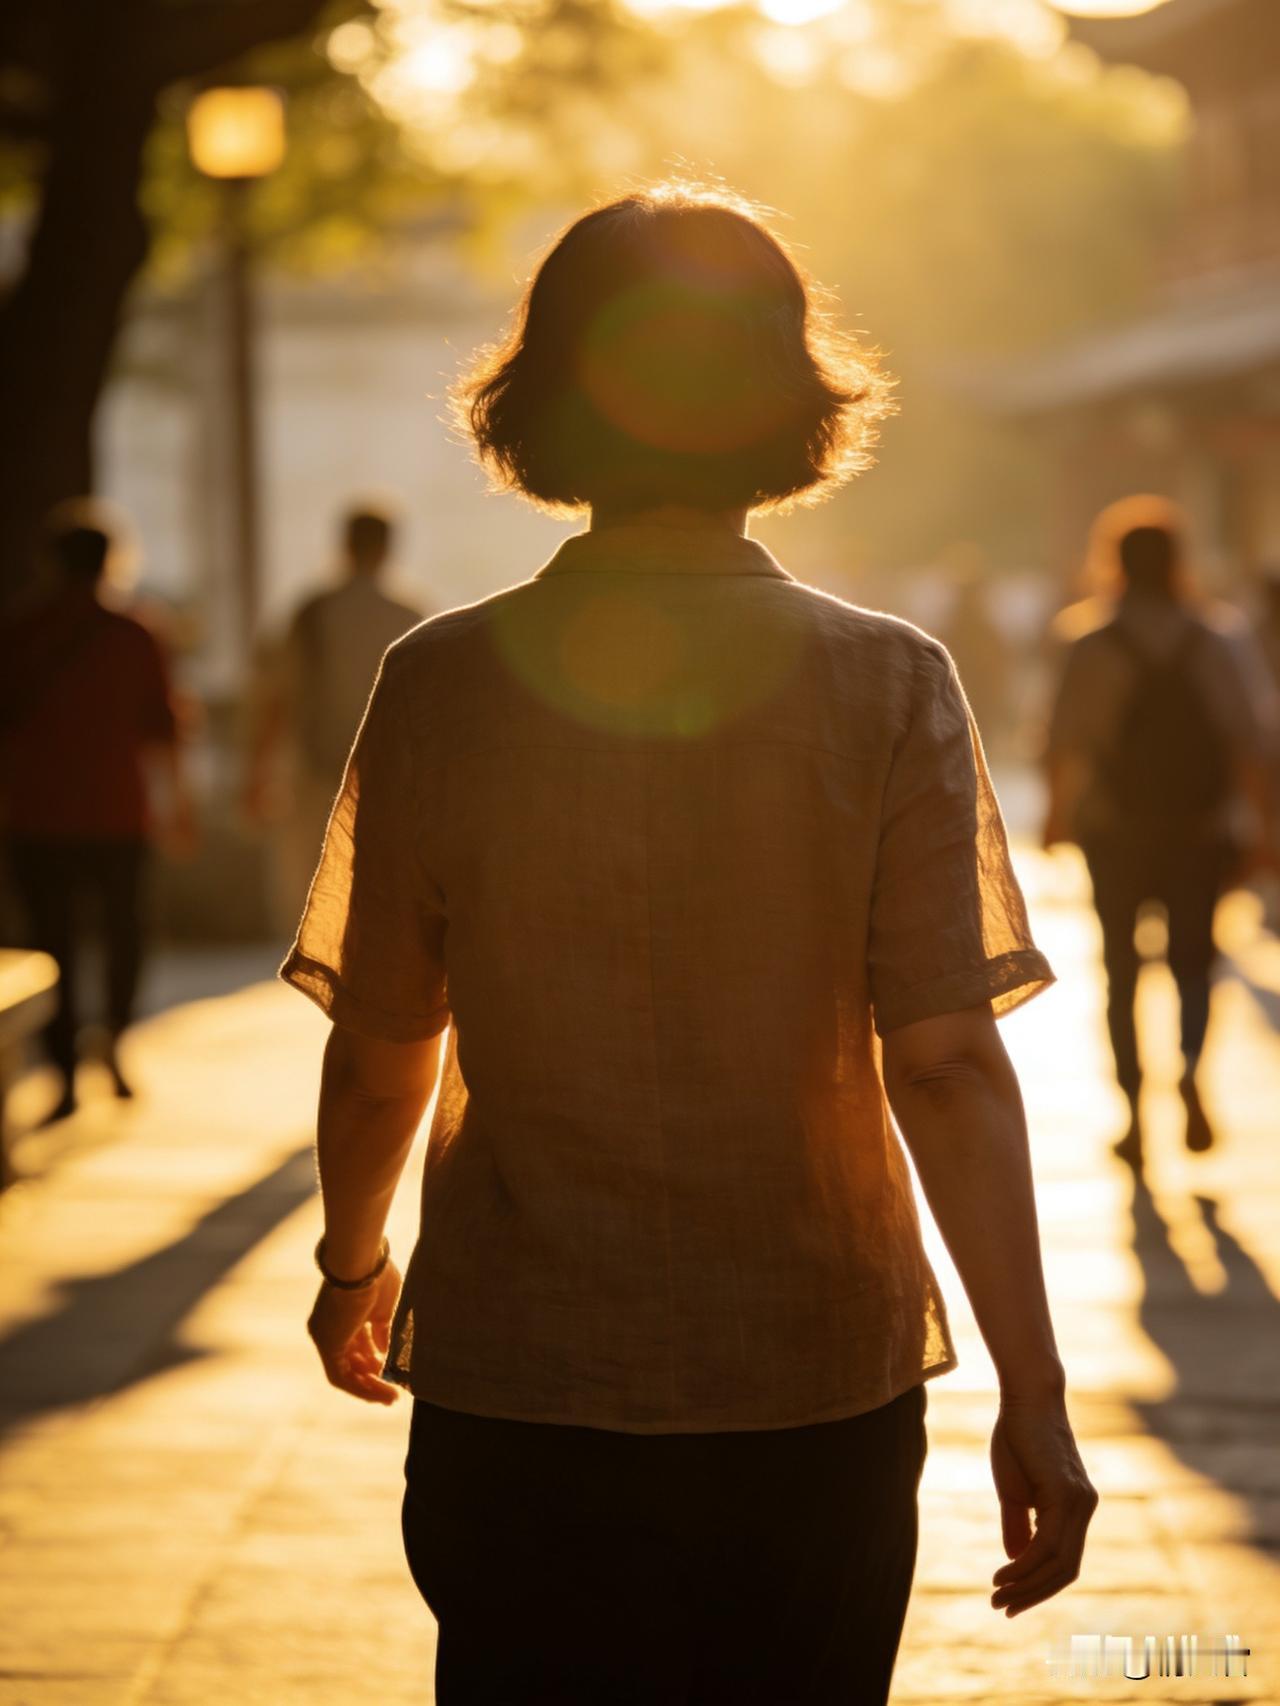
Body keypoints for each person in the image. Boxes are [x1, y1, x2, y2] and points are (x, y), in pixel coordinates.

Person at [282, 184, 1096, 1706]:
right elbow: (945, 1060)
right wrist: (1033, 1392)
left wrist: (352, 1262)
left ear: (543, 399)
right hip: (811, 1368)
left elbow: (384, 1040)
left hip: (523, 1369)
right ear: (787, 397)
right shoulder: (887, 682)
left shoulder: (441, 683)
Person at [1043, 496, 1277, 1168]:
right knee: (1194, 963)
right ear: (1179, 561)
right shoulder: (1218, 637)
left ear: (1113, 562)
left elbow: (1063, 742)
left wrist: (1057, 818)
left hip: (1114, 831)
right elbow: (1252, 743)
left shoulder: (1088, 640)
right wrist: (1262, 831)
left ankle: (1133, 1113)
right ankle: (1192, 1070)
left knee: (1119, 973)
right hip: (1198, 831)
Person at [0, 507, 193, 1122]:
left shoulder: (21, 632)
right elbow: (164, 730)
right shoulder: (135, 633)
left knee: (50, 941)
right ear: (113, 561)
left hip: (38, 814)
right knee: (123, 936)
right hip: (117, 813)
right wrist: (179, 807)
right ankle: (114, 1040)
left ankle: (62, 1073)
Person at [244, 503, 425, 929]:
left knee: (310, 893)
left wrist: (257, 773)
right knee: (378, 889)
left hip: (316, 771)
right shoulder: (408, 616)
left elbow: (279, 697)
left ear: (344, 545)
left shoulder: (313, 612)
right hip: (386, 774)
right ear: (388, 548)